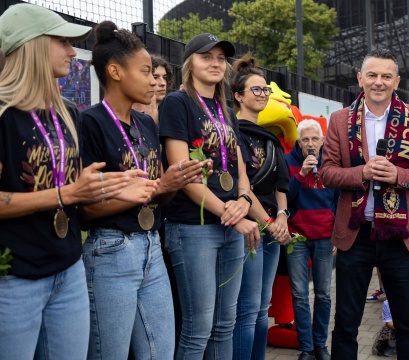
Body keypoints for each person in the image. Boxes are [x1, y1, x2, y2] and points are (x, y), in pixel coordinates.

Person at [0, 4, 155, 359]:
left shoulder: (68, 111)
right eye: (62, 42)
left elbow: (75, 186)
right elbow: (64, 190)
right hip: (15, 277)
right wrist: (65, 193)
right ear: (34, 45)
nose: (73, 51)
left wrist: (111, 186)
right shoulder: (4, 113)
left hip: (68, 267)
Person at [80, 21, 213, 359]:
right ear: (115, 72)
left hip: (152, 246)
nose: (154, 80)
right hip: (111, 250)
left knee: (160, 352)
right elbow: (84, 209)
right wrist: (154, 189)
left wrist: (176, 180)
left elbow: (160, 195)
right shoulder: (90, 123)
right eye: (144, 71)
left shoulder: (146, 124)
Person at [320, 48, 409, 360]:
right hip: (354, 235)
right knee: (346, 323)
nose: (378, 82)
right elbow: (327, 173)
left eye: (386, 76)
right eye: (372, 75)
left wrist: (399, 174)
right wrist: (361, 172)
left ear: (397, 81)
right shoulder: (339, 119)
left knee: (408, 323)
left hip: (401, 236)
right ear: (360, 79)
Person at [159, 33, 261, 359]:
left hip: (230, 222)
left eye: (220, 58)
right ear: (190, 63)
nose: (215, 63)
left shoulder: (226, 109)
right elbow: (183, 173)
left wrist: (243, 203)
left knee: (224, 324)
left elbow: (242, 172)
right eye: (206, 57)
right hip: (194, 226)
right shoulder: (177, 102)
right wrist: (230, 213)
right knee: (198, 327)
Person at [231, 55, 291, 360]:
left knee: (262, 307)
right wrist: (268, 221)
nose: (263, 95)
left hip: (272, 228)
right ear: (238, 96)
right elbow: (244, 186)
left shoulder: (272, 139)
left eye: (265, 90)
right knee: (248, 307)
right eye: (255, 90)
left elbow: (282, 185)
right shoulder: (233, 133)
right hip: (250, 229)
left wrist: (281, 217)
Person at [285, 119, 337, 360]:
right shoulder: (288, 162)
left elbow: (338, 199)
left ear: (322, 140)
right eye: (305, 139)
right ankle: (305, 348)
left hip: (325, 236)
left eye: (314, 139)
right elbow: (285, 197)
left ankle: (320, 345)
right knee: (299, 294)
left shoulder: (331, 162)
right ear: (299, 142)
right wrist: (303, 173)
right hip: (297, 236)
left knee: (324, 294)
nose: (310, 144)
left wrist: (338, 232)